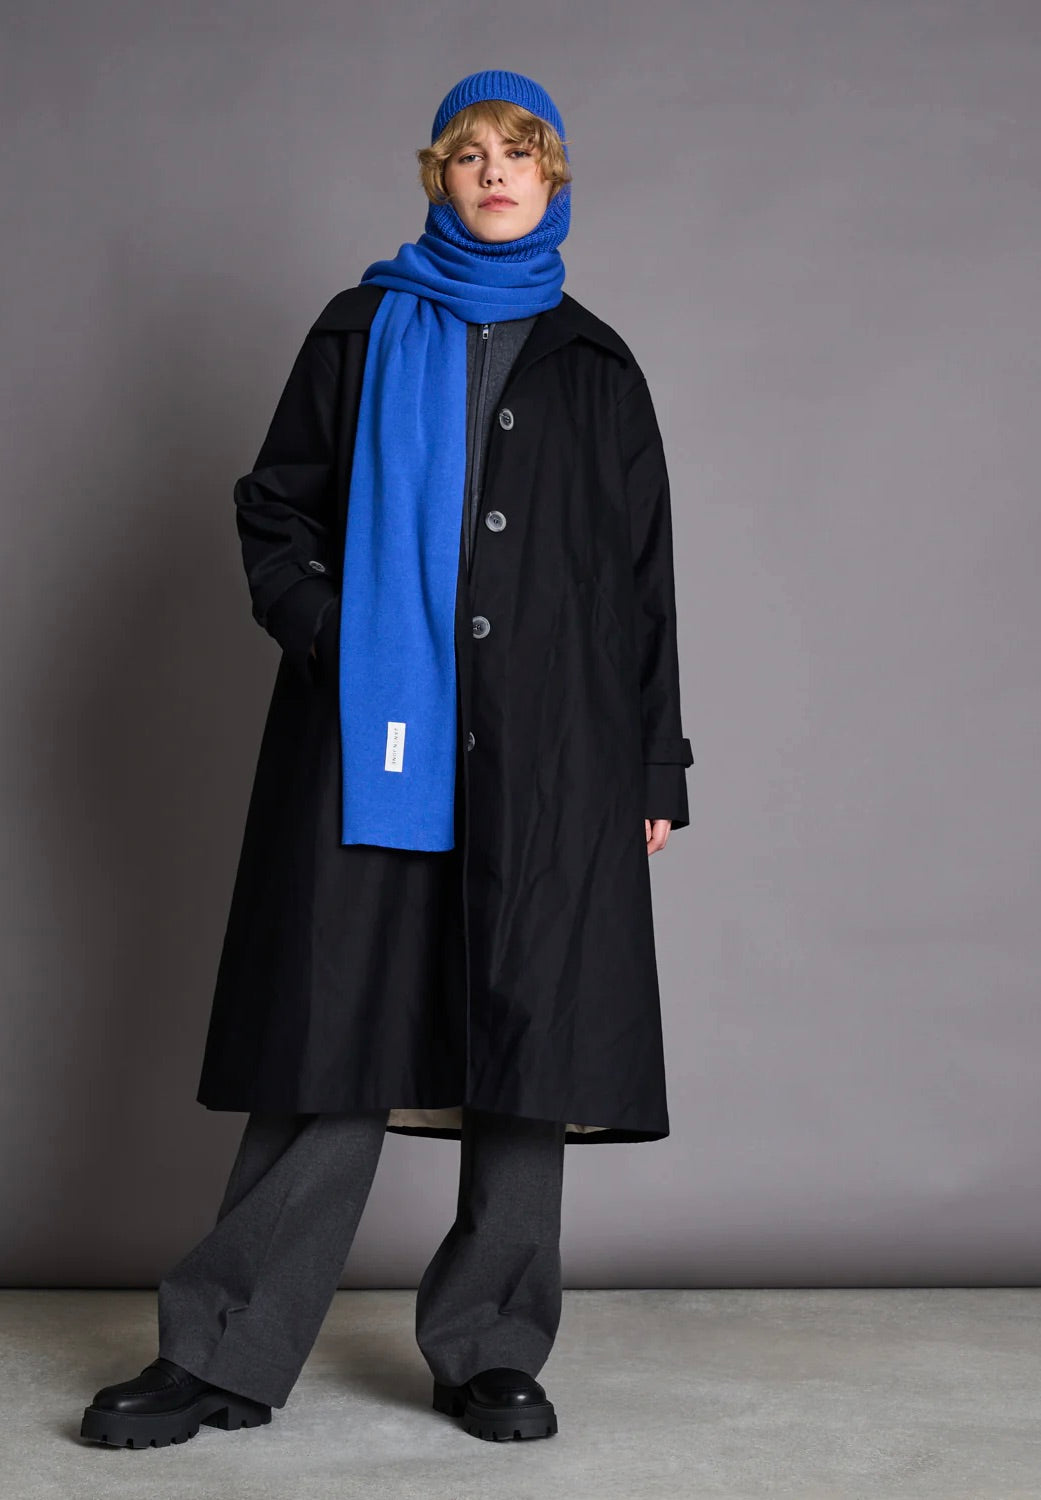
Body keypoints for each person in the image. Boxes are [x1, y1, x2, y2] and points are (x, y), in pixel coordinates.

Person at [80, 67, 693, 1451]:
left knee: (525, 1049)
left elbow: (639, 583)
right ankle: (220, 1348)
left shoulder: (596, 365)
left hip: (552, 755)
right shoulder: (358, 329)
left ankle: (493, 1349)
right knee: (334, 1035)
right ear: (438, 178)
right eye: (470, 152)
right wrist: (332, 637)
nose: (495, 171)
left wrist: (653, 766)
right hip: (377, 739)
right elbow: (274, 509)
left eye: (520, 151)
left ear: (552, 178)